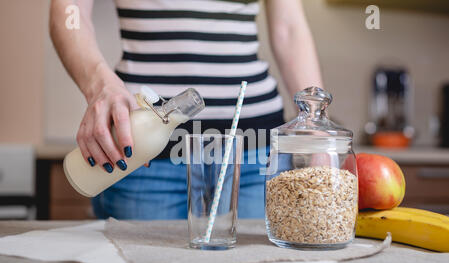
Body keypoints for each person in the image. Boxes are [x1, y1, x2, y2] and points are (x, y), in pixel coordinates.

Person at [50, 0, 322, 219]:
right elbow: (69, 10)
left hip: (254, 154)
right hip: (142, 154)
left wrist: (316, 125)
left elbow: (289, 29)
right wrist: (99, 85)